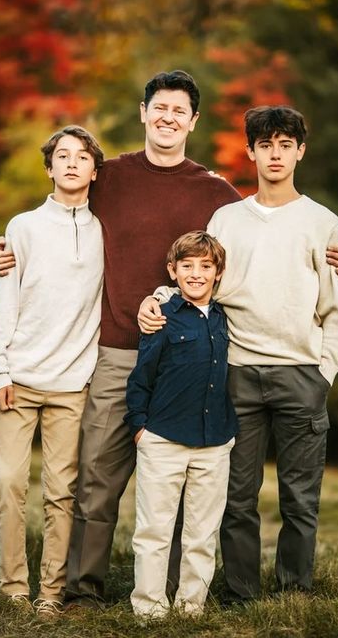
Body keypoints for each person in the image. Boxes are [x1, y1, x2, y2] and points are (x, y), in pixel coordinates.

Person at [0, 71, 338, 610]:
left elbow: (253, 250)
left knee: (192, 476)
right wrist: (5, 247)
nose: (168, 118)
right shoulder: (107, 176)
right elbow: (56, 208)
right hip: (114, 351)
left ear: (193, 121)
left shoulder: (217, 195)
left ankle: (187, 590)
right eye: (159, 107)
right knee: (97, 479)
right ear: (143, 112)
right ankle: (82, 588)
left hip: (192, 358)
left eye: (180, 110)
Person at [138, 105, 338, 604]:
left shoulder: (322, 222)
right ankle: (240, 592)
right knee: (237, 497)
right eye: (265, 145)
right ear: (251, 152)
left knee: (300, 497)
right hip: (236, 372)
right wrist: (159, 297)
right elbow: (200, 280)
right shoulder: (227, 218)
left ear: (300, 151)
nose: (274, 155)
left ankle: (294, 589)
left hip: (302, 373)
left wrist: (325, 372)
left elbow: (334, 308)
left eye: (285, 145)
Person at [0, 126, 105, 617]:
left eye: (83, 157)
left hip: (73, 385)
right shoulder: (23, 228)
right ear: (49, 168)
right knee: (8, 483)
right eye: (62, 157)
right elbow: (3, 301)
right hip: (18, 379)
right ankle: (13, 587)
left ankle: (51, 594)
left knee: (61, 492)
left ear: (96, 170)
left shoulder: (104, 230)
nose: (72, 164)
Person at [124, 231, 237, 619]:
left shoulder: (224, 318)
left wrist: (227, 435)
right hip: (163, 438)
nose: (196, 274)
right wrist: (140, 426)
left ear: (218, 273)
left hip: (214, 441)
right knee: (155, 529)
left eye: (205, 266)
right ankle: (149, 608)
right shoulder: (162, 316)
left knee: (202, 532)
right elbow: (142, 376)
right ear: (173, 271)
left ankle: (192, 606)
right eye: (187, 266)